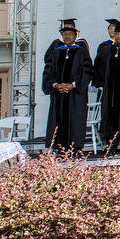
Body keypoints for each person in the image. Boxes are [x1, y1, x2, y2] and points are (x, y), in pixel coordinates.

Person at [42, 19, 93, 152]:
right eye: (65, 34)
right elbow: (48, 71)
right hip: (59, 95)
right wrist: (55, 85)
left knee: (75, 120)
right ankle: (60, 147)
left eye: (70, 34)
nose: (67, 37)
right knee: (57, 120)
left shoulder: (82, 51)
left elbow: (87, 71)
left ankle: (75, 148)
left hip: (75, 95)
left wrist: (73, 85)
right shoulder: (56, 51)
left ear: (76, 36)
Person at [93, 22, 120, 148]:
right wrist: (100, 82)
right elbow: (98, 66)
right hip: (110, 89)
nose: (119, 36)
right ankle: (112, 143)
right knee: (110, 115)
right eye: (117, 34)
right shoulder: (107, 49)